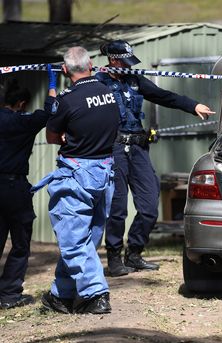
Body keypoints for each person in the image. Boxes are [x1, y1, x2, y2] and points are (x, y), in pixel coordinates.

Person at [96, 40, 215, 277]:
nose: (129, 66)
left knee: (150, 205)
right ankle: (115, 257)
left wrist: (193, 106)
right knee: (118, 208)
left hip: (139, 148)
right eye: (124, 62)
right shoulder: (98, 83)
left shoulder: (135, 80)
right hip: (114, 149)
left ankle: (135, 253)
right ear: (112, 60)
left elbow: (164, 96)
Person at [32, 47, 120, 314]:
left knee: (72, 239)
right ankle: (62, 294)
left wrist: (66, 133)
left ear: (66, 70)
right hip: (105, 172)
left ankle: (96, 294)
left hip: (76, 175)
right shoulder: (109, 93)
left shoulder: (67, 100)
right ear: (91, 64)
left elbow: (50, 136)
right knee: (86, 238)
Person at [0, 80, 50, 309]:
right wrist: (51, 91)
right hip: (14, 187)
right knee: (20, 243)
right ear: (21, 103)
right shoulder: (24, 121)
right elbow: (49, 112)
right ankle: (9, 294)